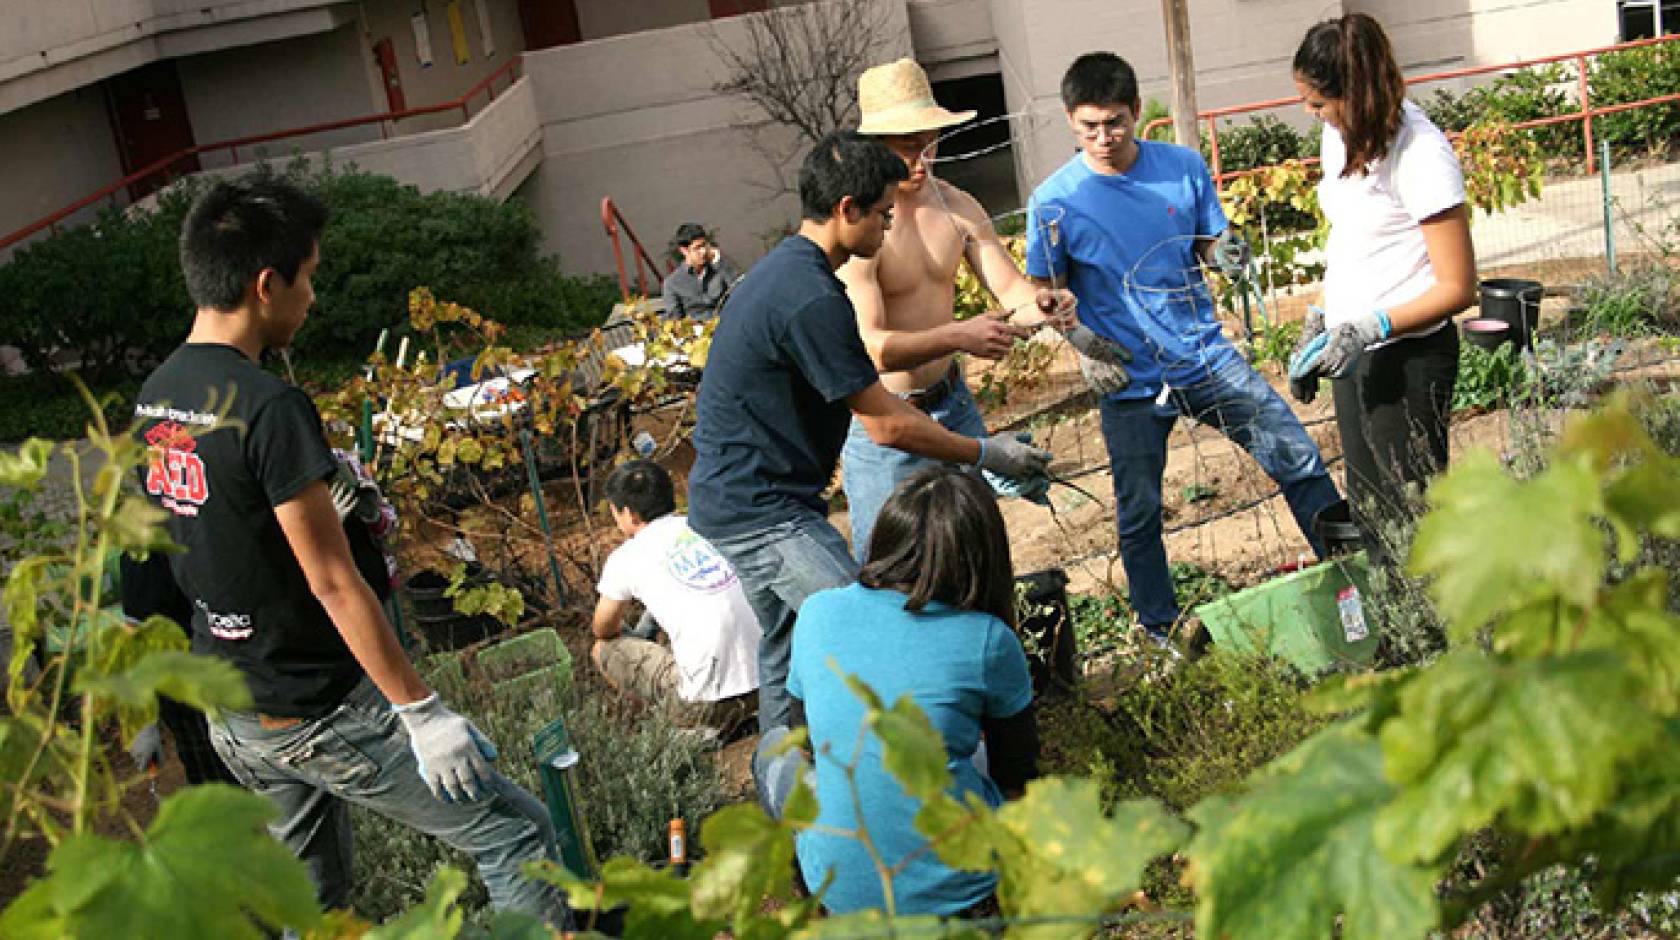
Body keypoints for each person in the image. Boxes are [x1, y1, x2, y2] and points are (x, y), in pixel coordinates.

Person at [132, 177, 567, 923]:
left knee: (310, 907)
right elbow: (332, 581)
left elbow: (152, 552)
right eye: (308, 277)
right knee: (516, 835)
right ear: (266, 285)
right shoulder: (268, 408)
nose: (312, 297)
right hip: (314, 710)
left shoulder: (158, 393)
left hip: (234, 712)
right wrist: (420, 713)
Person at [686, 130, 1051, 805]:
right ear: (846, 209)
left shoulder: (789, 273)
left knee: (789, 651)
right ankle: (898, 801)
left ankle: (789, 808)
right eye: (882, 214)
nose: (889, 226)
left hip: (746, 502)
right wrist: (985, 451)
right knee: (866, 633)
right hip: (762, 513)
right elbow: (884, 423)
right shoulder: (812, 297)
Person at [1024, 52, 1344, 641]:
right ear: (1070, 120)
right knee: (1139, 512)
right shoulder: (1053, 201)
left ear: (1136, 111)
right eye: (1090, 126)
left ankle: (1353, 576)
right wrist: (1083, 345)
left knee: (1294, 452)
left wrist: (1224, 253)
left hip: (1204, 357)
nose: (1104, 138)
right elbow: (1047, 292)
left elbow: (1206, 241)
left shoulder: (1181, 167)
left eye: (1115, 123)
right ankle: (1161, 632)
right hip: (1126, 377)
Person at [838, 57, 1094, 561]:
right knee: (888, 566)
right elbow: (871, 348)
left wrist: (1045, 304)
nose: (920, 160)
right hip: (888, 418)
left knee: (975, 554)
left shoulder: (957, 206)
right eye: (905, 146)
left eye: (928, 143)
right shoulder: (863, 228)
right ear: (875, 146)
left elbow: (1012, 292)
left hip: (952, 403)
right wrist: (959, 335)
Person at [780, 466, 1039, 915]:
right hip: (965, 894)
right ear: (982, 557)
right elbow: (1016, 777)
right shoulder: (988, 639)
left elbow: (801, 738)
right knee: (967, 757)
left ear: (885, 538)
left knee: (780, 756)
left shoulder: (817, 611)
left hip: (841, 894)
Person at [1289, 14, 1475, 557]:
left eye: (1319, 103)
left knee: (1411, 524)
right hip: (1358, 354)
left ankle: (1434, 615)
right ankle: (1391, 617)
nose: (1311, 113)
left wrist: (1372, 325)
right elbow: (1351, 238)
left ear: (1357, 95)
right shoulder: (1340, 136)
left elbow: (1458, 286)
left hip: (1408, 361)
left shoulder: (1421, 155)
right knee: (1373, 519)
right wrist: (1321, 314)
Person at [590, 459, 761, 739]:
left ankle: (675, 726)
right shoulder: (708, 526)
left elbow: (602, 628)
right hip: (770, 684)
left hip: (705, 705)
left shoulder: (626, 558)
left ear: (629, 514)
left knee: (602, 650)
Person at [661, 222, 738, 319]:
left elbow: (738, 291)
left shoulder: (719, 269)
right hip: (697, 327)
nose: (703, 251)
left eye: (704, 245)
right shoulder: (672, 284)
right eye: (697, 248)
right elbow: (675, 320)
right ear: (684, 251)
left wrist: (718, 260)